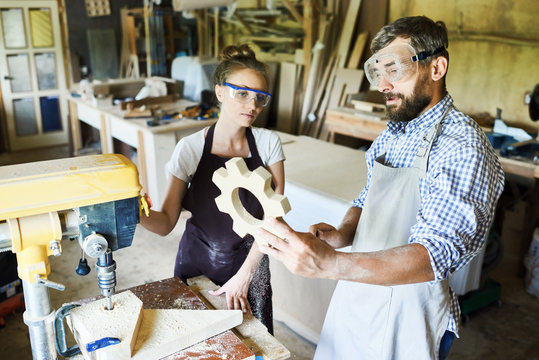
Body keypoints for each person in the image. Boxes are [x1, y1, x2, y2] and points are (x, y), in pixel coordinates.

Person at [256, 16, 505, 359]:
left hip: (409, 309)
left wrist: (328, 264)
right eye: (378, 72)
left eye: (394, 70)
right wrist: (342, 233)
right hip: (358, 291)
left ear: (436, 68)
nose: (383, 85)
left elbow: (435, 255)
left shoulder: (462, 145)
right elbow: (368, 195)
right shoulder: (396, 132)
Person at [141, 44, 285, 334]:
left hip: (251, 264)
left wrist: (245, 277)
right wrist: (133, 210)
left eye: (260, 97)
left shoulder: (268, 144)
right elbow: (166, 222)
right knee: (196, 343)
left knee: (253, 345)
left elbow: (274, 220)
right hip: (197, 260)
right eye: (242, 93)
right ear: (220, 92)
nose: (252, 105)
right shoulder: (190, 149)